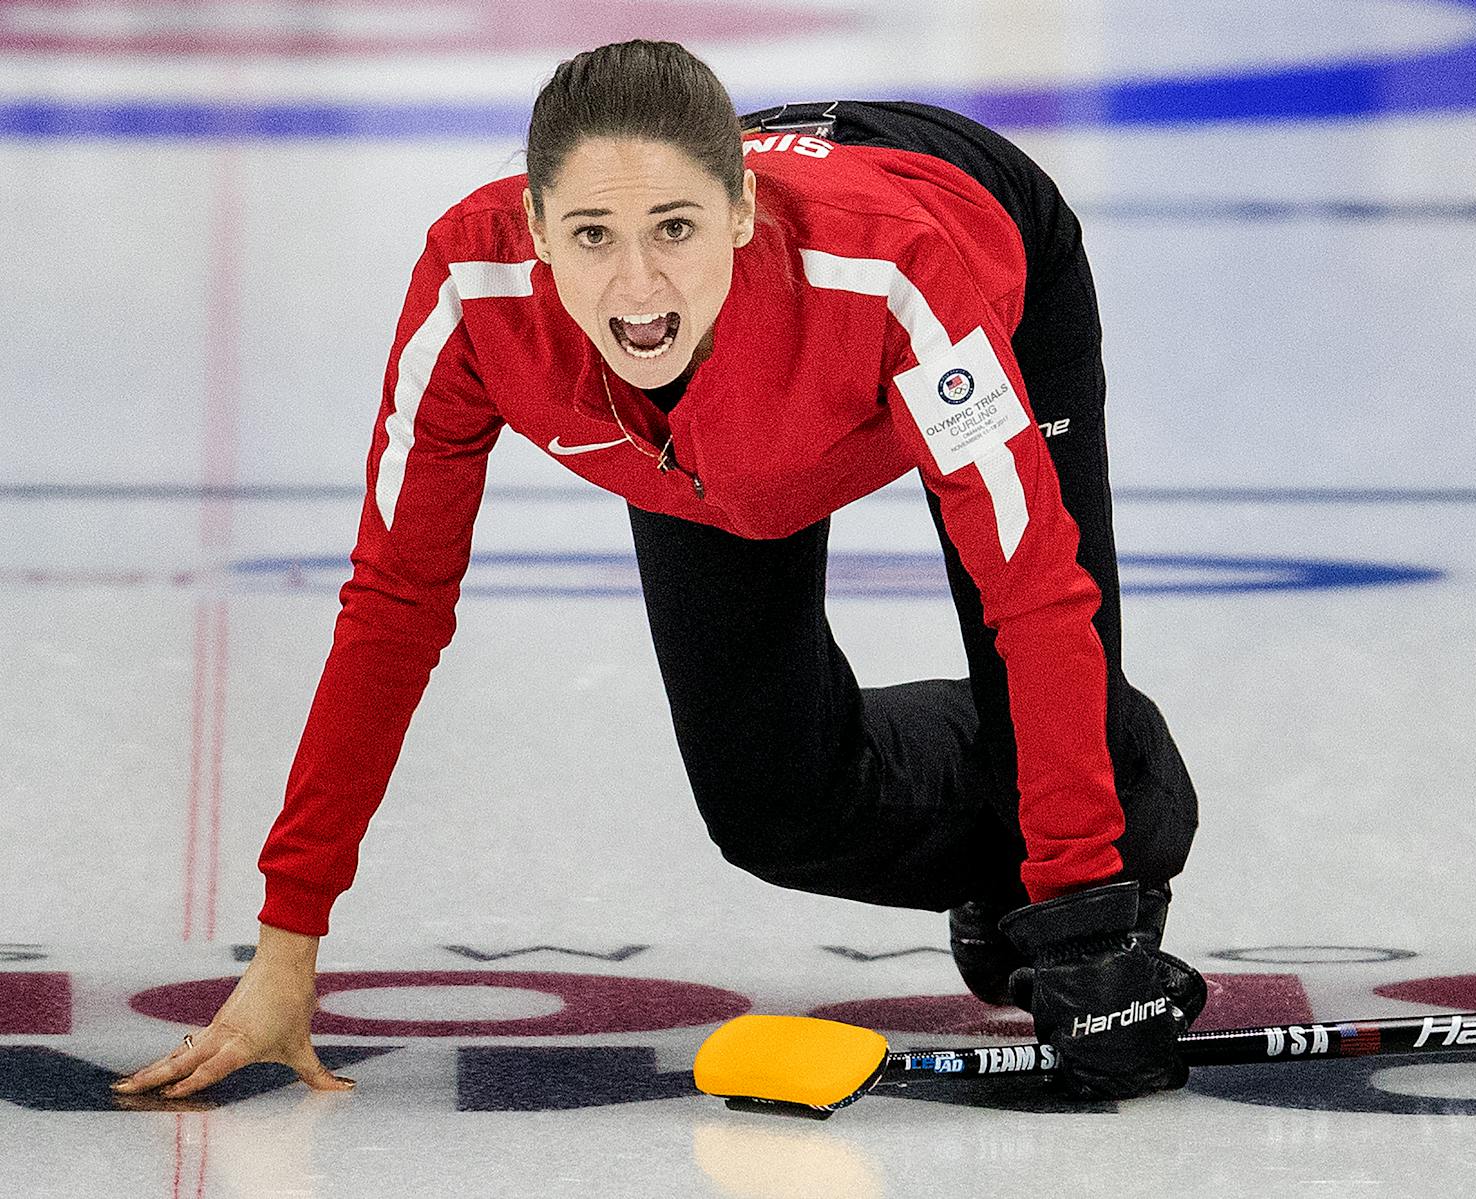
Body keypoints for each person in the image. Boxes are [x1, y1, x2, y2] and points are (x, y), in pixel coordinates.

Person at [113, 40, 1202, 1103]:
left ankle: (1110, 781)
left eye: (674, 228)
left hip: (968, 248)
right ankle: (1008, 842)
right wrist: (285, 947)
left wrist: (1081, 914)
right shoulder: (471, 293)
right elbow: (394, 606)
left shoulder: (892, 274)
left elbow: (1030, 591)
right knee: (771, 807)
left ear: (738, 212)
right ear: (535, 229)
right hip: (722, 436)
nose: (637, 286)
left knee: (1071, 732)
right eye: (591, 234)